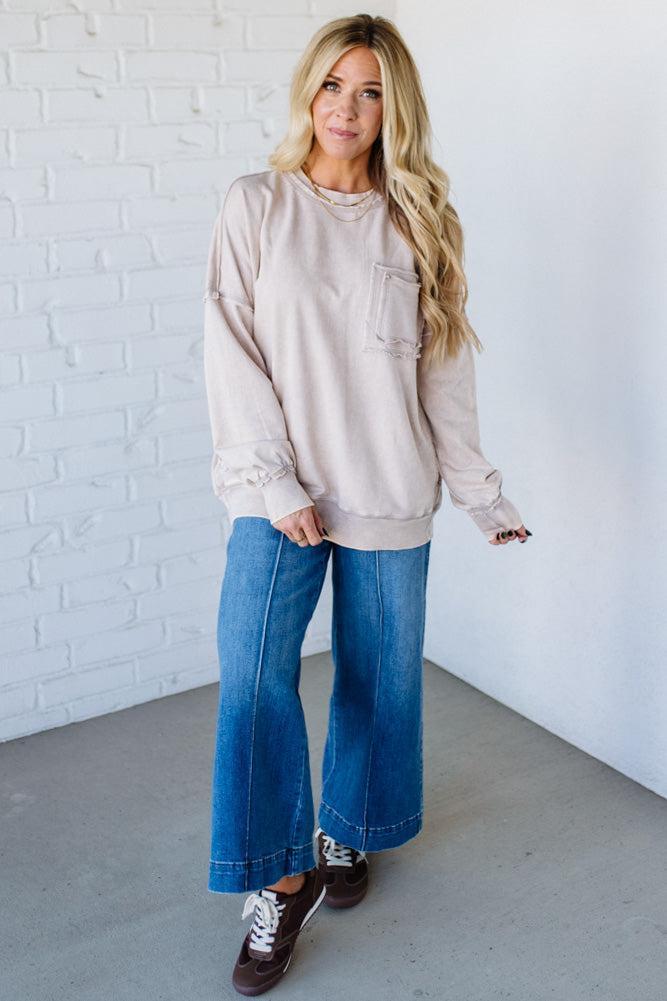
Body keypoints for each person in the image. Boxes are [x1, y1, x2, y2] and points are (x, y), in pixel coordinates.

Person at [203, 13, 531, 996]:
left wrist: (478, 489)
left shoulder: (417, 215)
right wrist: (273, 483)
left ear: (397, 108)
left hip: (388, 484)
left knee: (378, 679)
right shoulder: (256, 204)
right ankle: (281, 874)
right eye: (333, 85)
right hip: (281, 495)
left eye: (372, 90)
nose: (348, 108)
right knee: (253, 677)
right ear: (308, 92)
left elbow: (442, 371)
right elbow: (231, 351)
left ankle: (350, 832)